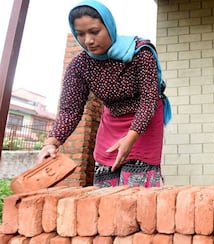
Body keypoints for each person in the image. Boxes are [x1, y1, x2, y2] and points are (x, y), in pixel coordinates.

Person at [37, 0, 171, 188]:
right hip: (112, 123)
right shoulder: (80, 65)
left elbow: (149, 100)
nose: (88, 41)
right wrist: (51, 143)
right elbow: (70, 110)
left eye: (94, 31)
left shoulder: (140, 52)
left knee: (137, 189)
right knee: (106, 187)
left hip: (144, 122)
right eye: (80, 34)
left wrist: (131, 137)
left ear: (109, 27)